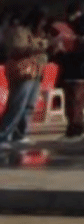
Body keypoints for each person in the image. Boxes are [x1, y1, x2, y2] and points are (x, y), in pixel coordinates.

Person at [1, 10, 50, 149]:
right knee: (17, 105)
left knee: (29, 105)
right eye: (41, 21)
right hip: (23, 72)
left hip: (36, 72)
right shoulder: (20, 31)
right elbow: (18, 48)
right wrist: (41, 45)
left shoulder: (39, 34)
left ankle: (20, 134)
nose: (43, 24)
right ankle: (3, 135)